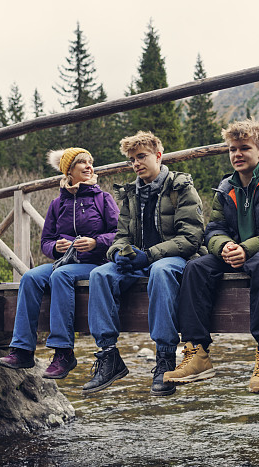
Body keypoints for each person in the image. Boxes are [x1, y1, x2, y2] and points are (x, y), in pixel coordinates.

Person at [166, 118, 259, 395]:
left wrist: (247, 248)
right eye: (232, 149)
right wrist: (224, 245)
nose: (237, 154)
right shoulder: (226, 187)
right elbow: (214, 229)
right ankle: (197, 353)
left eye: (244, 148)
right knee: (196, 267)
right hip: (236, 253)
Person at [85, 131, 205, 396]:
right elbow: (120, 236)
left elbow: (191, 237)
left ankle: (165, 357)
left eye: (141, 156)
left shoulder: (181, 187)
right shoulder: (131, 193)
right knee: (100, 274)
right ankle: (108, 356)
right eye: (132, 160)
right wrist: (118, 253)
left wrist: (149, 255)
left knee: (160, 271)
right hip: (140, 259)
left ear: (158, 156)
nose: (136, 164)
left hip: (174, 259)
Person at [0, 148, 119, 379]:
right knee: (30, 277)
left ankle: (63, 352)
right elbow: (45, 241)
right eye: (82, 162)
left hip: (96, 263)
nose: (89, 166)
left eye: (90, 162)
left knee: (60, 276)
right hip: (64, 262)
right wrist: (55, 247)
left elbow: (119, 234)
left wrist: (95, 242)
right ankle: (22, 350)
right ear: (69, 171)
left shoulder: (103, 199)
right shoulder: (57, 203)